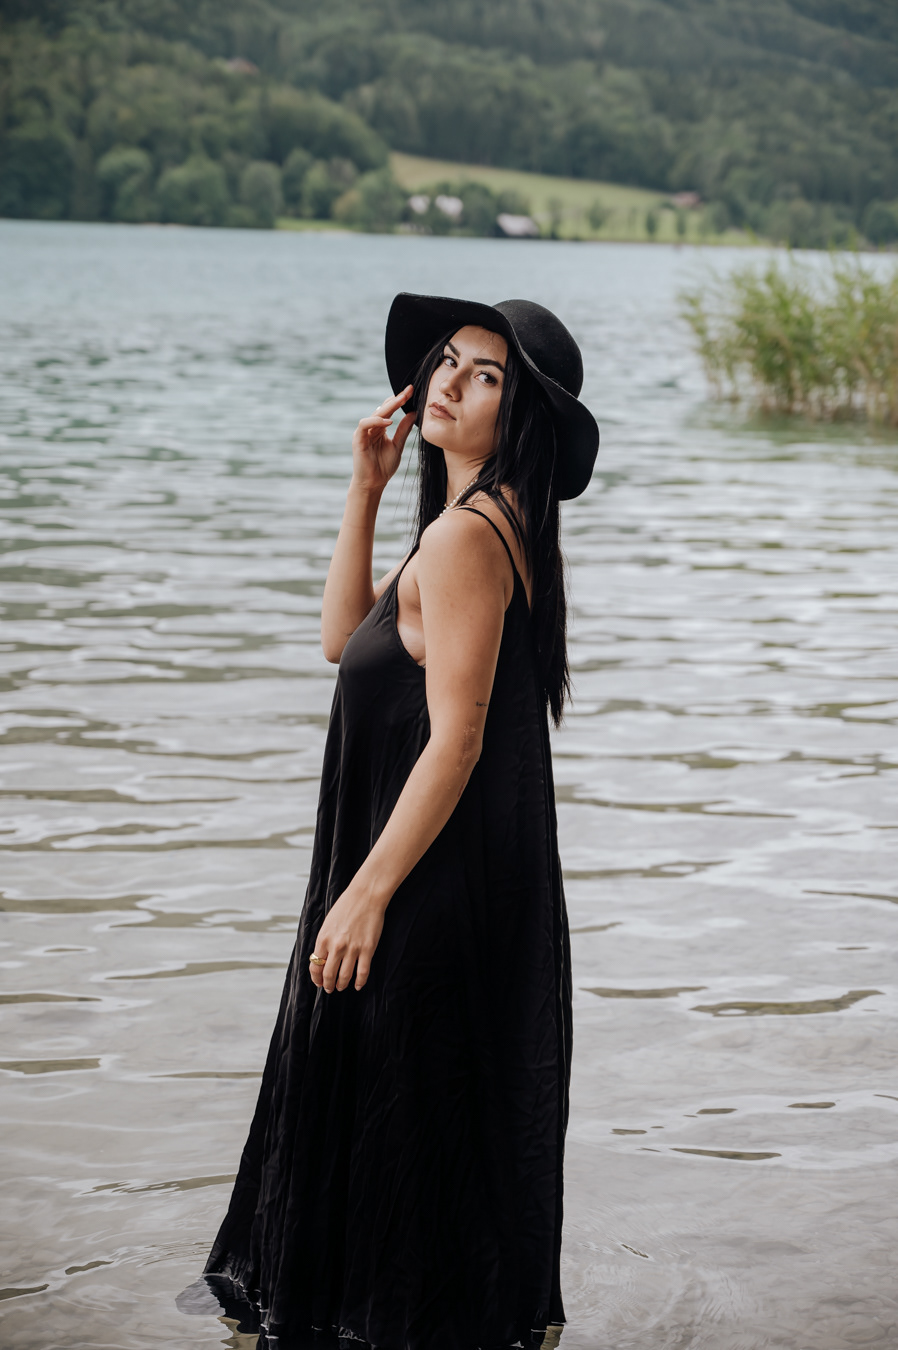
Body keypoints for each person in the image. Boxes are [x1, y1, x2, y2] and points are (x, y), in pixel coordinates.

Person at [184, 292, 599, 1350]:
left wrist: (365, 893)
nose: (450, 381)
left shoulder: (467, 538)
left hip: (418, 887)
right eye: (448, 359)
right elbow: (346, 640)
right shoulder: (482, 528)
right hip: (446, 882)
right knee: (422, 1144)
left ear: (521, 419)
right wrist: (364, 489)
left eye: (487, 375)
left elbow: (456, 740)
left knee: (395, 1138)